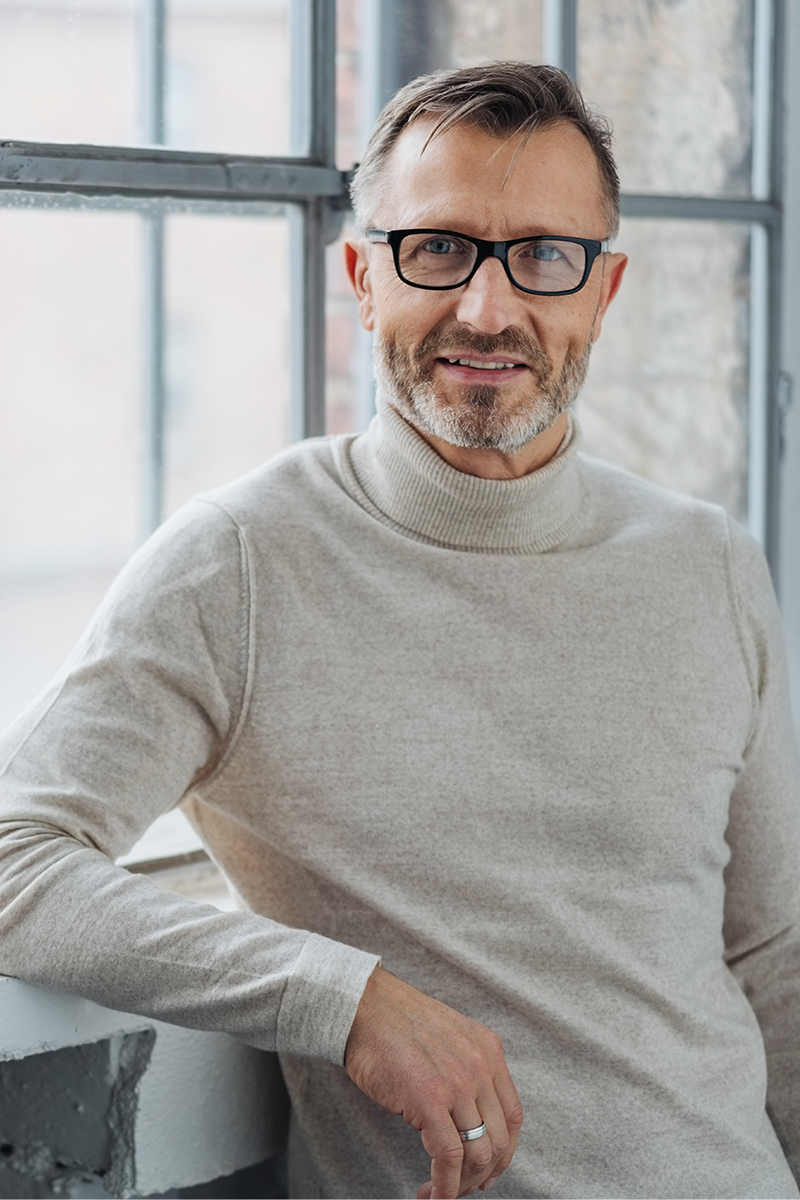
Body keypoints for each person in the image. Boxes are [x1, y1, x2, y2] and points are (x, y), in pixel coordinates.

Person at [1, 61, 799, 1200]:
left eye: (543, 255)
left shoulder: (706, 562)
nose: (487, 308)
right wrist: (342, 998)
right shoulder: (239, 562)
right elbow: (13, 859)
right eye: (436, 249)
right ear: (359, 279)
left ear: (603, 291)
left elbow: (772, 954)